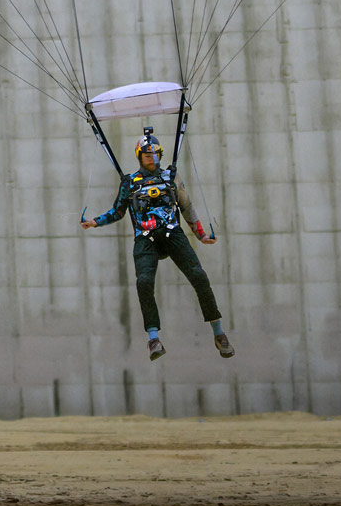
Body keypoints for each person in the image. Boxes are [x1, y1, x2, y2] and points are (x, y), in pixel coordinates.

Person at [82, 129, 233, 360]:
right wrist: (95, 222)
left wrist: (201, 235)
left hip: (173, 234)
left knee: (199, 276)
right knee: (143, 282)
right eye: (147, 155)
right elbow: (118, 211)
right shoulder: (130, 183)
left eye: (155, 154)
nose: (152, 158)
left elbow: (186, 206)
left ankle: (219, 333)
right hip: (145, 239)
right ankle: (153, 338)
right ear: (139, 157)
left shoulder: (171, 178)